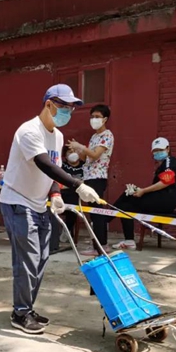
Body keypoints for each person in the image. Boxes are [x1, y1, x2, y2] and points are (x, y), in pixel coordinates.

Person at [0, 84, 101, 334]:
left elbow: (54, 168)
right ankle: (20, 313)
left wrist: (55, 192)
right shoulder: (28, 131)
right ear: (48, 104)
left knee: (42, 258)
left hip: (39, 202)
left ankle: (27, 308)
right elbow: (44, 163)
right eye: (63, 106)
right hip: (18, 201)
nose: (68, 112)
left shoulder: (57, 136)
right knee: (28, 259)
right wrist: (77, 185)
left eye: (71, 108)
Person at [110, 137, 176, 250]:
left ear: (168, 149)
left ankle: (104, 220)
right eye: (155, 151)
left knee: (127, 195)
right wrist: (140, 191)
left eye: (160, 150)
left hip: (165, 201)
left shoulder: (170, 161)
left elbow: (166, 182)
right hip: (158, 199)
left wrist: (143, 191)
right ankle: (129, 240)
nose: (157, 153)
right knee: (126, 206)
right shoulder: (162, 165)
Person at [67, 104, 114, 256]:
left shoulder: (107, 135)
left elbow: (95, 155)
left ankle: (101, 246)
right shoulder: (94, 137)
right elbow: (87, 158)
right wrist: (77, 150)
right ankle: (98, 245)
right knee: (94, 214)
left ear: (105, 119)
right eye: (92, 117)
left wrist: (81, 146)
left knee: (97, 213)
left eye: (97, 117)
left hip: (97, 178)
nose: (94, 119)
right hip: (88, 176)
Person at [59, 146, 84, 242]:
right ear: (65, 155)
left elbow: (85, 183)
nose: (73, 153)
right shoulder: (61, 166)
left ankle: (67, 230)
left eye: (75, 151)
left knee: (73, 203)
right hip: (62, 193)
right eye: (70, 152)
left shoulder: (84, 166)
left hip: (76, 195)